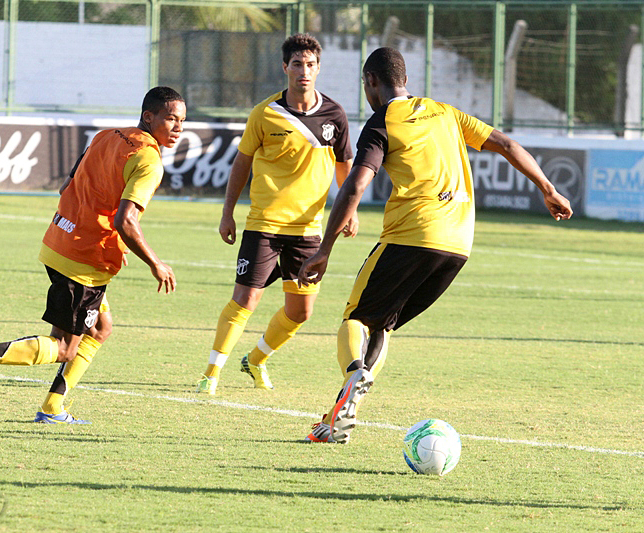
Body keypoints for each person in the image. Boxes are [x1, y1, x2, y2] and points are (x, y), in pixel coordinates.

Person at [299, 48, 573, 443]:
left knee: (355, 318)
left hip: (411, 235)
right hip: (458, 245)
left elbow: (356, 184)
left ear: (371, 81)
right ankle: (344, 412)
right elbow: (508, 145)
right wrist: (548, 188)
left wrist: (324, 248)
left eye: (365, 85)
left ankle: (354, 373)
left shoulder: (381, 123)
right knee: (385, 321)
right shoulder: (446, 112)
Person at [0, 86, 186, 424]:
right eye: (172, 119)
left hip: (59, 239)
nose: (178, 128)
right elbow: (126, 220)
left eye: (182, 121)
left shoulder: (106, 136)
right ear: (149, 117)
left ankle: (52, 407)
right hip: (84, 260)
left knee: (101, 328)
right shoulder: (148, 160)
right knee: (64, 348)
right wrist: (156, 263)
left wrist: (108, 238)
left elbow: (67, 187)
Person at [194, 33, 356, 395]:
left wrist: (352, 211)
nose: (304, 71)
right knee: (245, 299)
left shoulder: (334, 115)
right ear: (285, 67)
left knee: (300, 312)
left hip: (310, 230)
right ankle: (211, 373)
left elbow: (345, 166)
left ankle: (256, 359)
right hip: (264, 225)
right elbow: (242, 163)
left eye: (311, 64)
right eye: (297, 64)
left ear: (318, 69)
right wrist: (227, 213)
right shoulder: (265, 113)